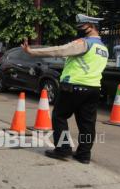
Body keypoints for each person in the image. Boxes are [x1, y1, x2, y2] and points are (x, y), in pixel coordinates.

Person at [21, 14, 108, 164]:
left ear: (92, 27)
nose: (79, 30)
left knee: (59, 117)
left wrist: (31, 52)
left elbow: (59, 50)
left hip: (74, 87)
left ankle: (63, 149)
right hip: (93, 89)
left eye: (82, 26)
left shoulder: (84, 43)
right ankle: (84, 155)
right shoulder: (103, 48)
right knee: (87, 124)